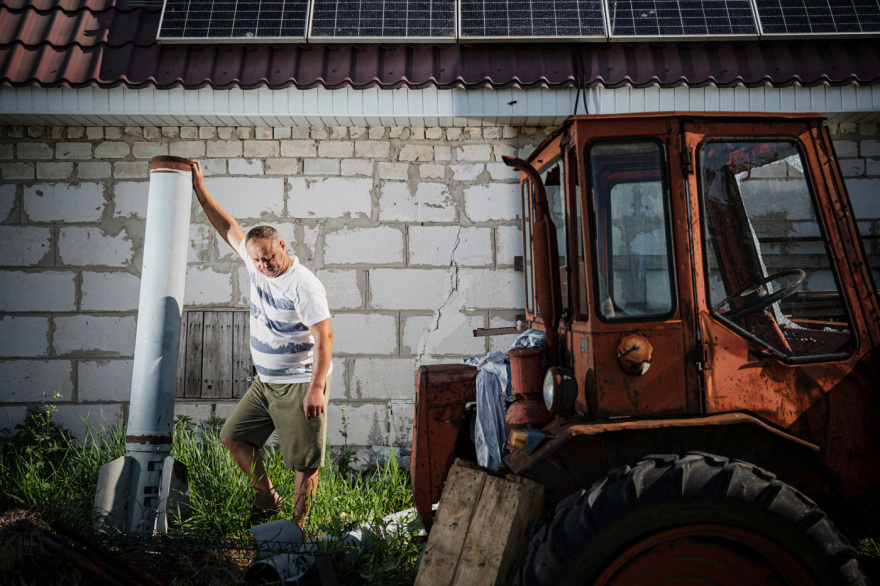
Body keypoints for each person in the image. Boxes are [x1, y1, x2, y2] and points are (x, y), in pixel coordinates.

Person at [191, 161, 333, 528]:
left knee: (305, 462)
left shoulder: (303, 284)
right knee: (234, 437)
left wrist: (316, 388)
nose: (263, 265)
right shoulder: (253, 263)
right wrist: (199, 189)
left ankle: (295, 532)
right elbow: (228, 227)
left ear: (282, 246)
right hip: (265, 381)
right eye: (256, 259)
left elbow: (325, 336)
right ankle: (268, 499)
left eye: (268, 257)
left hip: (300, 380)